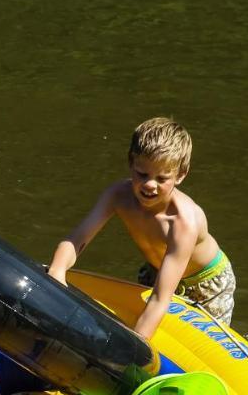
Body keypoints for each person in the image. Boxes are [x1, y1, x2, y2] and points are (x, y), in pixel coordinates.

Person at [47, 117, 235, 340]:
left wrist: (133, 351)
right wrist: (56, 274)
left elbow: (160, 299)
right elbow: (76, 240)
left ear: (181, 175)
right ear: (131, 162)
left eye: (162, 178)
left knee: (198, 342)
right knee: (146, 327)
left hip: (205, 283)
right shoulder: (118, 195)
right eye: (142, 174)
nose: (149, 185)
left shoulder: (183, 222)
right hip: (157, 269)